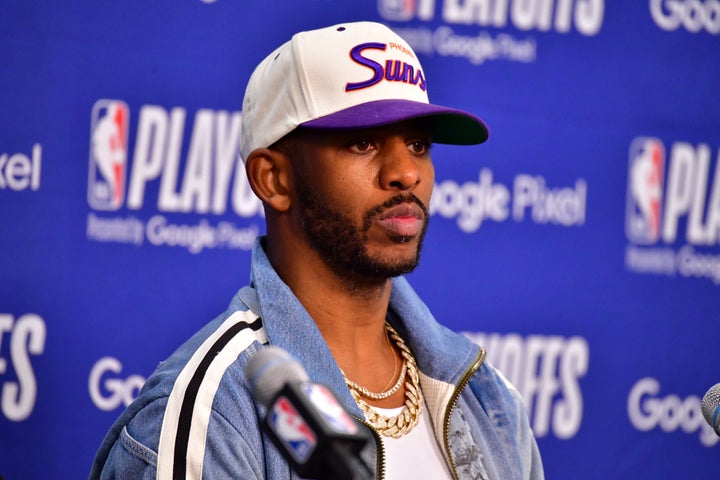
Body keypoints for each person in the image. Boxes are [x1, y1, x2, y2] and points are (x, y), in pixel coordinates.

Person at [90, 21, 544, 479]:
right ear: (274, 179)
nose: (406, 172)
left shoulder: (486, 396)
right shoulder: (214, 411)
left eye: (417, 144)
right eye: (363, 141)